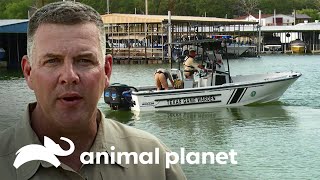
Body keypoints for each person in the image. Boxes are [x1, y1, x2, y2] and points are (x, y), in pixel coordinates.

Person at [0, 2, 186, 180]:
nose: (69, 76)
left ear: (106, 71)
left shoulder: (155, 162)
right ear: (28, 72)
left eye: (84, 60)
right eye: (52, 61)